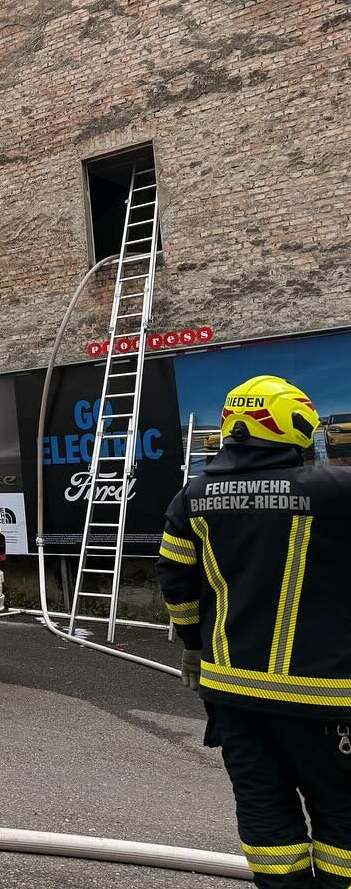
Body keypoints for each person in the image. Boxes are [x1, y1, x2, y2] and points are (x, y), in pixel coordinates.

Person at [159, 375, 351, 888]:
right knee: (343, 820)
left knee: (267, 818)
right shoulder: (336, 490)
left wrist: (194, 648)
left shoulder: (191, 499)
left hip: (233, 694)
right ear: (296, 426)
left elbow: (176, 584)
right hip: (326, 697)